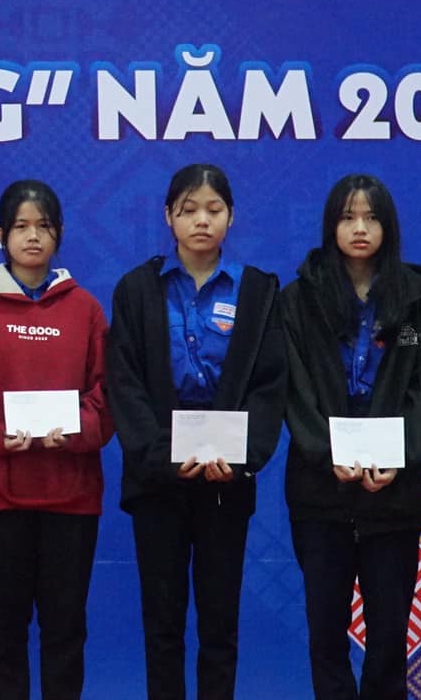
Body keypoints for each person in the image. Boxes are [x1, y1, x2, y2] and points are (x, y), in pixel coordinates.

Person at [105, 163, 286, 700]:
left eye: (213, 209)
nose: (201, 221)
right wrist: (162, 456)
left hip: (225, 480)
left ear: (231, 216)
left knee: (219, 626)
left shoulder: (258, 291)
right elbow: (125, 383)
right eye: (188, 210)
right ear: (168, 217)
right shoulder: (137, 289)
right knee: (162, 626)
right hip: (157, 482)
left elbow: (269, 384)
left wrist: (241, 457)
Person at [0, 179, 112, 700]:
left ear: (60, 233)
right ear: (1, 234)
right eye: (21, 226)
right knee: (3, 635)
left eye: (44, 226)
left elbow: (107, 396)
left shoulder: (85, 309)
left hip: (71, 496)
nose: (33, 237)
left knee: (66, 632)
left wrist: (74, 429)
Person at [278, 176, 421, 700]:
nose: (360, 228)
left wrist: (399, 455)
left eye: (371, 218)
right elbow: (294, 387)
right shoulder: (298, 300)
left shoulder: (416, 304)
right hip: (320, 492)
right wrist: (325, 452)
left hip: (393, 494)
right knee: (326, 635)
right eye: (348, 217)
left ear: (388, 227)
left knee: (389, 639)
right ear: (330, 225)